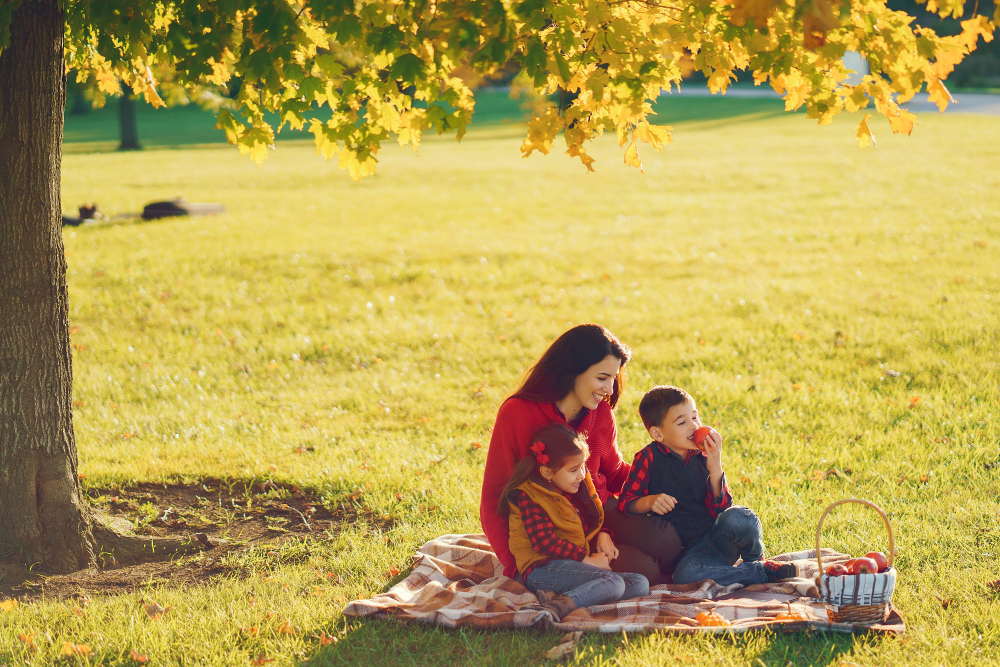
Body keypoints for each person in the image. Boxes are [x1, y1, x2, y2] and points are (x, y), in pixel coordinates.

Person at [480, 324, 683, 586]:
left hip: (599, 511)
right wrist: (514, 566)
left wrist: (670, 480)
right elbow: (494, 497)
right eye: (601, 378)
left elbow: (613, 471)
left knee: (667, 543)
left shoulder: (601, 412)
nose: (610, 389)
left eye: (613, 378)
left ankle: (622, 545)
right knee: (646, 571)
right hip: (553, 526)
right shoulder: (517, 414)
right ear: (571, 371)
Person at [617, 385, 797, 586]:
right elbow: (626, 503)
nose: (694, 426)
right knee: (685, 576)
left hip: (719, 538)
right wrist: (649, 502)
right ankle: (758, 572)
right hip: (691, 555)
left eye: (695, 417)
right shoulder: (648, 458)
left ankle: (755, 559)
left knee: (741, 516)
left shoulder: (703, 453)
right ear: (658, 434)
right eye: (682, 422)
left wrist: (715, 468)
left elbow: (723, 510)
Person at [499, 423, 649, 620]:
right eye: (574, 470)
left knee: (640, 583)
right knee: (613, 582)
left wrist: (604, 535)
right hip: (542, 570)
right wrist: (588, 560)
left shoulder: (573, 488)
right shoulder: (529, 495)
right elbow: (545, 542)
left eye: (583, 466)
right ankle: (557, 608)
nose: (581, 474)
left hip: (571, 567)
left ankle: (569, 599)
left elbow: (586, 525)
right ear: (547, 472)